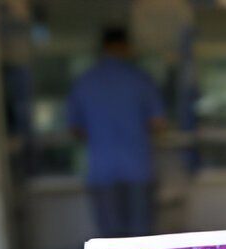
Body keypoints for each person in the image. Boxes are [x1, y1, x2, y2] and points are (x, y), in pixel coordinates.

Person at [68, 27, 166, 238]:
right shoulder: (140, 79)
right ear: (125, 47)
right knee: (141, 238)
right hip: (138, 167)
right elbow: (157, 124)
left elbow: (75, 130)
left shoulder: (85, 81)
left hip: (102, 170)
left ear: (102, 48)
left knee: (109, 240)